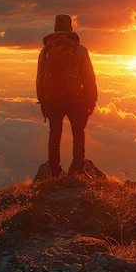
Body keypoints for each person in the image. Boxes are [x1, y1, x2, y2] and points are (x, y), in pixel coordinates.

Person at [36, 14, 97, 178]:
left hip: (53, 100)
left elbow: (39, 77)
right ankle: (77, 168)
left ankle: (55, 171)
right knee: (78, 133)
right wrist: (91, 101)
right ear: (70, 28)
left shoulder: (45, 51)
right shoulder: (80, 50)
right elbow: (89, 78)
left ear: (55, 28)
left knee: (54, 133)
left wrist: (43, 101)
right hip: (77, 100)